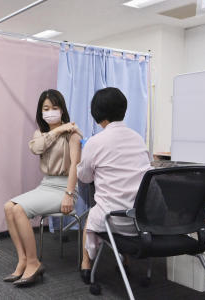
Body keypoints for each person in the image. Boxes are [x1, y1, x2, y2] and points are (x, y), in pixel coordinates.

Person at [3, 89, 82, 286]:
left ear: (62, 110)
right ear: (41, 111)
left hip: (65, 188)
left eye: (55, 107)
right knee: (8, 207)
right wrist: (56, 130)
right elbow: (36, 148)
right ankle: (22, 260)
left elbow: (75, 165)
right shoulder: (40, 134)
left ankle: (33, 262)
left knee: (19, 209)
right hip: (46, 184)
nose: (50, 112)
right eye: (46, 108)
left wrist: (69, 194)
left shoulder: (72, 134)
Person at [77, 87, 150, 283]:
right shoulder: (138, 139)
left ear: (96, 113)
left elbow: (84, 178)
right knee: (122, 199)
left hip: (114, 220)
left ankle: (86, 265)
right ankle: (125, 262)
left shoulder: (95, 141)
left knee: (94, 212)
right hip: (143, 220)